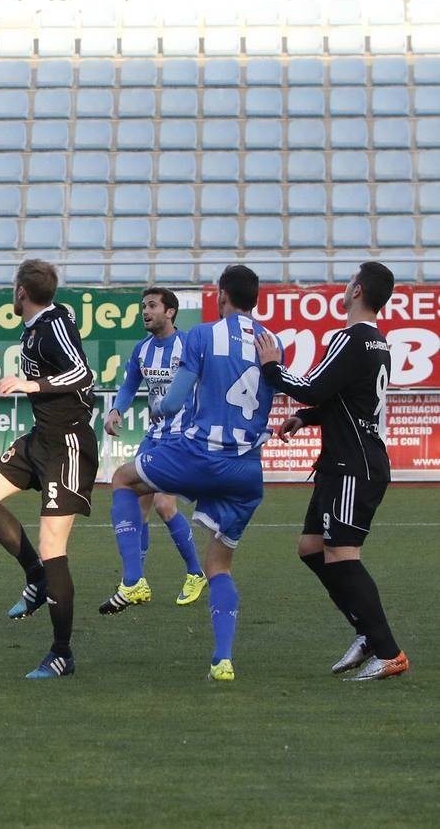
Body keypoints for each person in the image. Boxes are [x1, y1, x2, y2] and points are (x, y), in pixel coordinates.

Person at [110, 265, 280, 682]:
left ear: (222, 295)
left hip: (199, 453)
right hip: (245, 469)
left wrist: (160, 408)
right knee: (220, 566)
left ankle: (133, 579)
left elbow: (176, 398)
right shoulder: (272, 341)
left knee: (122, 479)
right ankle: (222, 660)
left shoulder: (201, 335)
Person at [255, 261, 408, 681]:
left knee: (342, 554)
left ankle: (388, 650)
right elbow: (342, 399)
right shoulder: (377, 342)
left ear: (357, 290)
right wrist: (306, 418)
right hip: (346, 462)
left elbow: (313, 385)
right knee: (310, 548)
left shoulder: (349, 338)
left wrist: (271, 367)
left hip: (352, 466)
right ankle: (367, 632)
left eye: (350, 280)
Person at [0, 260, 98, 679]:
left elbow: (82, 373)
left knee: (53, 546)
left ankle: (62, 654)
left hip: (68, 445)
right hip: (40, 438)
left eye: (14, 286)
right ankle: (36, 578)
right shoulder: (45, 322)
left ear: (21, 291)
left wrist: (29, 384)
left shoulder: (54, 325)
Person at [100, 287, 206, 613]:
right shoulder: (143, 349)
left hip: (183, 439)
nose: (145, 311)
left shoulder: (188, 345)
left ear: (170, 311)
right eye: (143, 306)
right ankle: (138, 583)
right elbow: (131, 383)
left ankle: (195, 572)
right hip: (155, 437)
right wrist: (117, 409)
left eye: (152, 305)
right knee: (138, 507)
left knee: (162, 503)